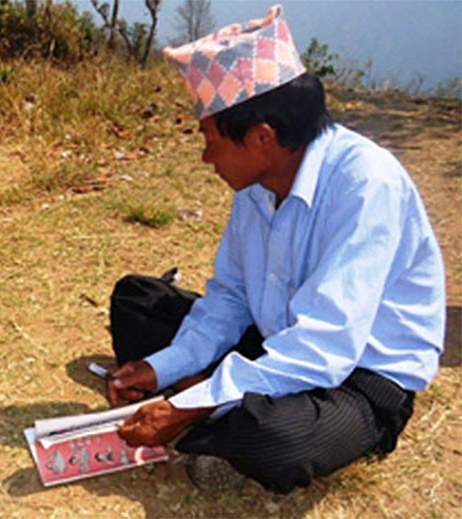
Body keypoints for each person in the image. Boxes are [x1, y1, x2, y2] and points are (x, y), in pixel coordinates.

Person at [106, 5, 446, 494]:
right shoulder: (257, 183)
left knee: (275, 440)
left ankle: (222, 407)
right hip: (276, 339)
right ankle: (219, 395)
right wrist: (163, 367)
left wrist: (190, 402)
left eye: (211, 141)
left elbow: (324, 347)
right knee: (135, 301)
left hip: (357, 376)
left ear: (262, 137)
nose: (206, 158)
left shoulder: (366, 183)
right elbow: (230, 297)